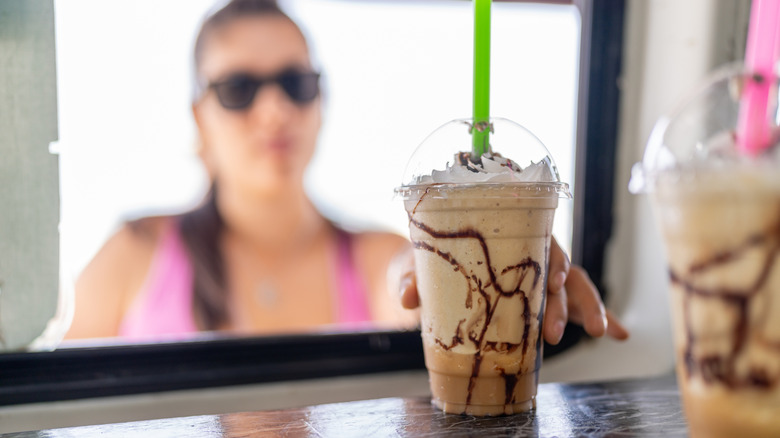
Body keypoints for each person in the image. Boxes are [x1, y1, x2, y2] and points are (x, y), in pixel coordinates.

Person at [66, 0, 628, 345]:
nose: (274, 110)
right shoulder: (133, 255)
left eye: (295, 84)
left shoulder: (372, 257)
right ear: (198, 116)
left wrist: (473, 258)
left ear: (321, 101)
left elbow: (409, 280)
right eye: (238, 89)